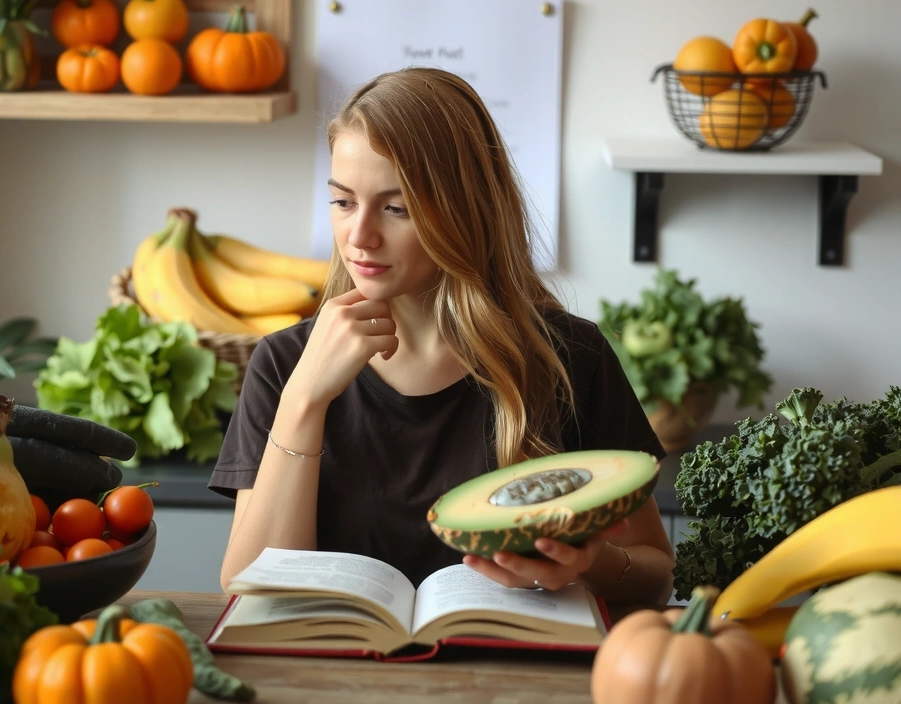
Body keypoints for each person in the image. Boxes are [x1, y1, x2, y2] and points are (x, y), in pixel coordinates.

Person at [209, 66, 674, 610]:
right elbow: (247, 587)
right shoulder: (284, 362)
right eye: (343, 202)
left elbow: (654, 578)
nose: (359, 237)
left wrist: (592, 562)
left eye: (396, 208)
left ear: (466, 210)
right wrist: (305, 399)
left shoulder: (574, 359)